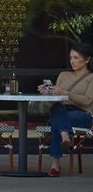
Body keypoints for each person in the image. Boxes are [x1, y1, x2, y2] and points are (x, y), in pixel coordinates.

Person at [39, 42, 93, 176]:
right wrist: (48, 94)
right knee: (57, 108)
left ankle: (55, 165)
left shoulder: (91, 78)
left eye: (76, 58)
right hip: (61, 110)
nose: (72, 61)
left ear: (87, 59)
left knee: (58, 120)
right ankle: (65, 135)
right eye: (70, 58)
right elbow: (53, 104)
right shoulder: (63, 75)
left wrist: (65, 93)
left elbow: (88, 100)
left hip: (83, 114)